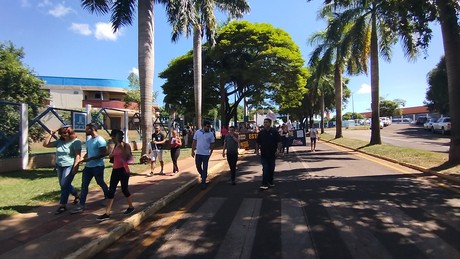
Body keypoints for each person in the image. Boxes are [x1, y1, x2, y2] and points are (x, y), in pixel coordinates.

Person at [71, 123, 109, 214]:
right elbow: (89, 152)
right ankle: (82, 204)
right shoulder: (89, 141)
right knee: (84, 185)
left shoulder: (100, 140)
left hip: (98, 166)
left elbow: (103, 154)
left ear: (92, 129)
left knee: (100, 182)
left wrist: (90, 159)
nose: (86, 130)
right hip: (88, 167)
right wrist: (84, 159)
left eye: (87, 129)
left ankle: (108, 197)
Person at [96, 130, 134, 221]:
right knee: (111, 191)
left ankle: (131, 207)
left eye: (114, 137)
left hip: (123, 170)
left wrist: (121, 146)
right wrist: (111, 155)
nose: (112, 139)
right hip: (115, 170)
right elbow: (113, 156)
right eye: (112, 138)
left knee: (124, 190)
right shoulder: (115, 146)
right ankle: (107, 213)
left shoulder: (125, 145)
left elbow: (129, 157)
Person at [43, 126, 82, 215]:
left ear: (70, 133)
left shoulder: (76, 142)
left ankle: (63, 205)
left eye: (66, 133)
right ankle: (76, 195)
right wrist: (51, 134)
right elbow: (45, 144)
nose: (64, 135)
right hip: (60, 166)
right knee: (63, 184)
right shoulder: (59, 142)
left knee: (64, 185)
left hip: (69, 165)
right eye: (62, 133)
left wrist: (76, 167)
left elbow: (78, 156)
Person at [256, 118, 281, 190]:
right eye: (264, 122)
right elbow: (257, 142)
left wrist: (278, 150)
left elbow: (279, 142)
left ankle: (270, 181)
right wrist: (257, 151)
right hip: (264, 154)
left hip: (272, 154)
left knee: (271, 168)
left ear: (270, 123)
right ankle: (264, 183)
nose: (265, 124)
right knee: (265, 168)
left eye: (266, 122)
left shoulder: (274, 132)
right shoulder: (261, 132)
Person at [191, 120, 215, 190]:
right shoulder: (198, 132)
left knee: (205, 168)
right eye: (207, 126)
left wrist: (211, 152)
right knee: (198, 166)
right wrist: (192, 151)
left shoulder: (210, 134)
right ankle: (203, 175)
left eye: (209, 126)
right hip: (198, 153)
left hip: (206, 154)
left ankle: (203, 182)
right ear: (204, 126)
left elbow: (212, 144)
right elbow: (194, 141)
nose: (208, 128)